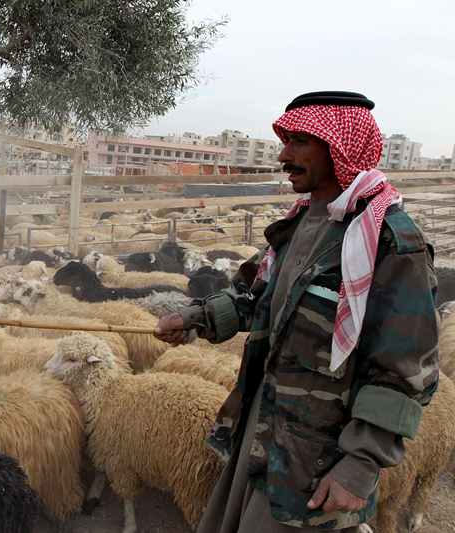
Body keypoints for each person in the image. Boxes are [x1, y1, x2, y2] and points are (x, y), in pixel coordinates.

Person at [155, 91, 438, 532]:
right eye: (285, 141)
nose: (284, 156)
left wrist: (360, 464)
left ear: (340, 147)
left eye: (300, 142)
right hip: (263, 427)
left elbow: (404, 367)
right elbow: (256, 296)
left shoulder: (389, 243)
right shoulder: (297, 224)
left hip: (319, 455)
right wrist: (196, 318)